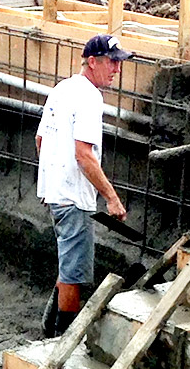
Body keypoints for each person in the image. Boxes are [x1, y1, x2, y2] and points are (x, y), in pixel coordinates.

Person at [36, 34, 131, 336]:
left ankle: (50, 325)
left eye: (118, 62)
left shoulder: (62, 88)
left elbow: (41, 140)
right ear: (93, 62)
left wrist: (51, 183)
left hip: (56, 193)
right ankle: (62, 340)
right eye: (112, 62)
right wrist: (112, 198)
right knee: (74, 273)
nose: (116, 68)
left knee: (69, 262)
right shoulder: (90, 97)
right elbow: (83, 155)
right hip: (73, 199)